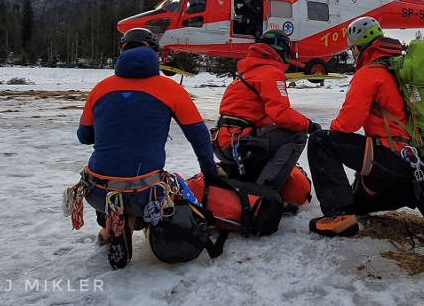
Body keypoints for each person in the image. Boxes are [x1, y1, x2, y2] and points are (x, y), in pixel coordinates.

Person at [77, 28, 221, 268]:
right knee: (154, 184)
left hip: (97, 192)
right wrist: (210, 172)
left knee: (112, 179)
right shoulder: (171, 89)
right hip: (144, 193)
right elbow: (199, 137)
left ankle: (111, 226)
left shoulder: (100, 89)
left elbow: (84, 137)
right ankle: (128, 222)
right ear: (156, 54)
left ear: (122, 52)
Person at [307, 17, 424, 237]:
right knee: (359, 205)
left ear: (358, 47)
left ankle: (339, 216)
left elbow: (348, 124)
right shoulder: (397, 70)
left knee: (320, 141)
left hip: (387, 155)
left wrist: (330, 131)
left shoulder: (370, 73)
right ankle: (418, 194)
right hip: (409, 161)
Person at [214, 29, 320, 193]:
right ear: (282, 51)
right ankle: (264, 193)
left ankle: (246, 184)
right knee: (297, 134)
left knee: (274, 134)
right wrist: (309, 125)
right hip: (238, 144)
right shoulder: (270, 72)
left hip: (224, 142)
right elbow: (281, 114)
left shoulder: (249, 72)